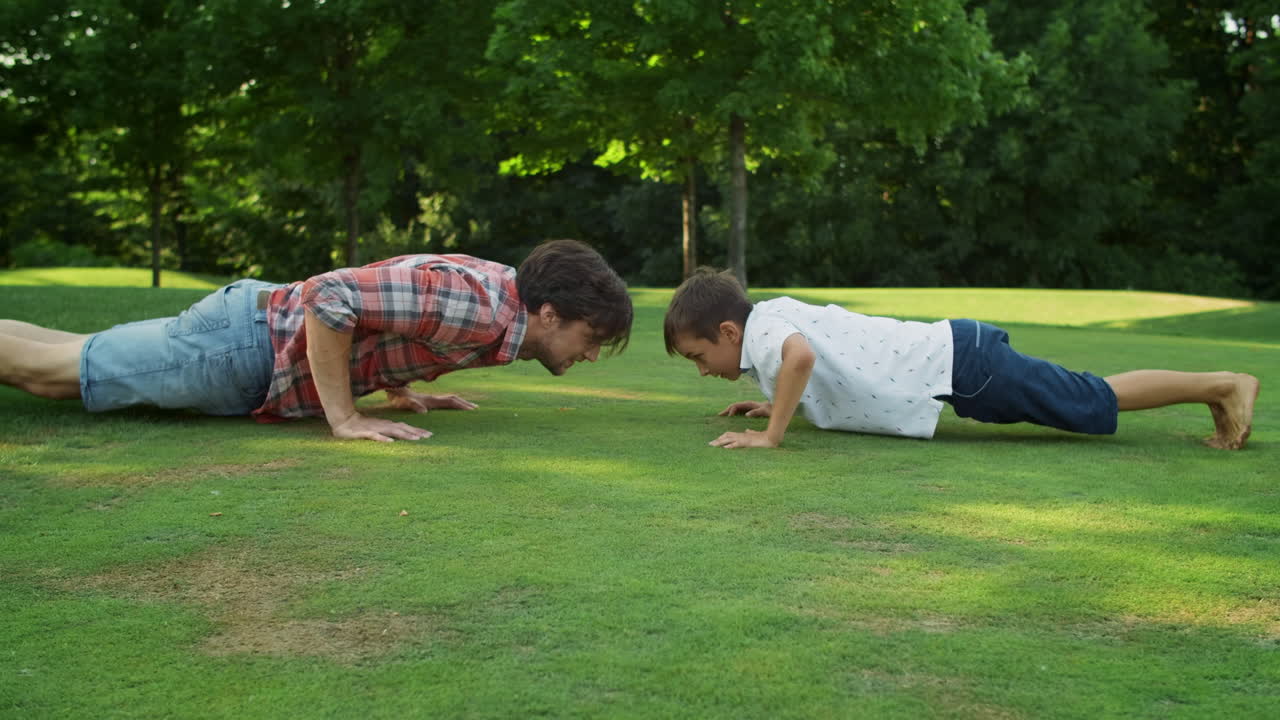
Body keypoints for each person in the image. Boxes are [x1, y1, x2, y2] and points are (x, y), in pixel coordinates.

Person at [0, 239, 632, 443]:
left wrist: (396, 384)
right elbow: (332, 298)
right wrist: (345, 417)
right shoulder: (479, 310)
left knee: (66, 347)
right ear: (548, 314)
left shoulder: (498, 300)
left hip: (245, 328)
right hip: (248, 350)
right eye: (590, 336)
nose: (590, 353)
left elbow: (396, 308)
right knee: (49, 374)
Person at [663, 268, 1259, 450]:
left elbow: (801, 357)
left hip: (963, 366)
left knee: (1088, 396)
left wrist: (772, 434)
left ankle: (1225, 384)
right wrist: (775, 401)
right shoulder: (769, 320)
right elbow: (814, 363)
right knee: (1086, 392)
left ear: (727, 329)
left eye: (699, 356)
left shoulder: (770, 332)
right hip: (960, 360)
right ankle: (1217, 391)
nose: (702, 370)